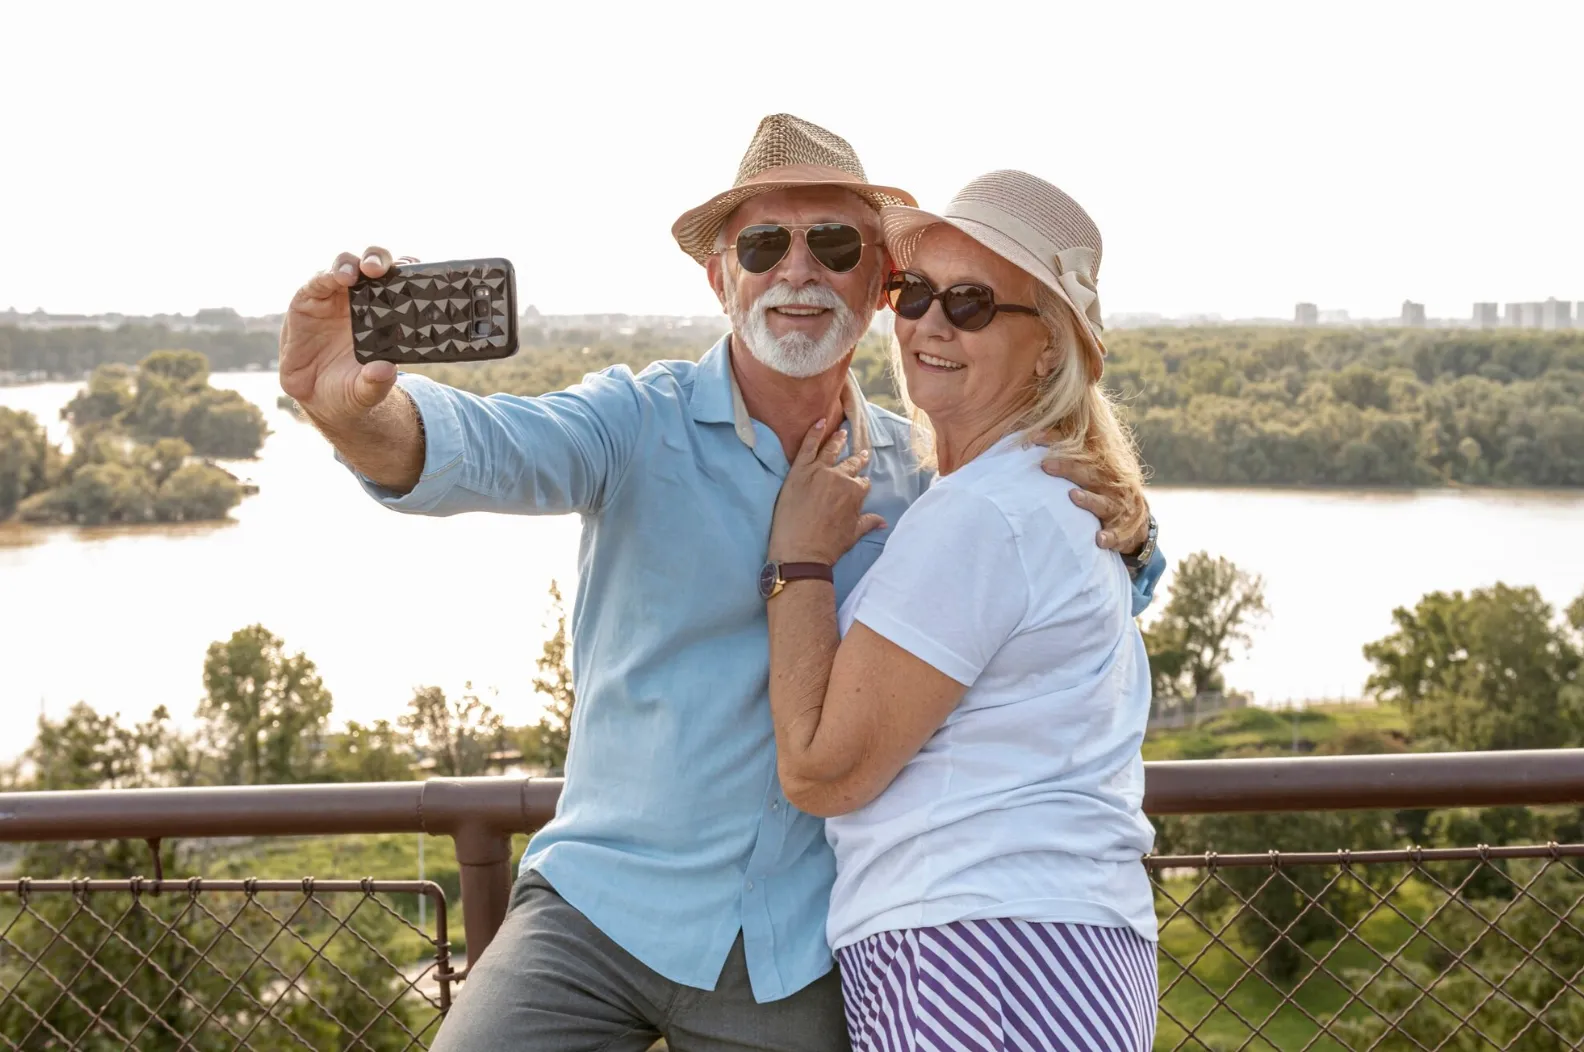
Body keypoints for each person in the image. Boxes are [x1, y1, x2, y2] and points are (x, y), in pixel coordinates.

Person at [277, 116, 1163, 1051]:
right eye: (762, 245)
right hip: (603, 910)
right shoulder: (634, 424)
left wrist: (1138, 533)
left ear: (873, 288)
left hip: (795, 945)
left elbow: (1055, 579)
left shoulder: (923, 476)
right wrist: (348, 415)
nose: (797, 272)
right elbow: (483, 449)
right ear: (720, 278)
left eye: (833, 246)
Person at [763, 170, 1160, 1052]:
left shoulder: (985, 515)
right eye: (913, 293)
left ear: (1050, 348)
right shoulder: (1042, 494)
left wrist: (798, 563)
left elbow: (824, 772)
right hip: (1054, 949)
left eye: (974, 303)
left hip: (974, 950)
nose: (930, 324)